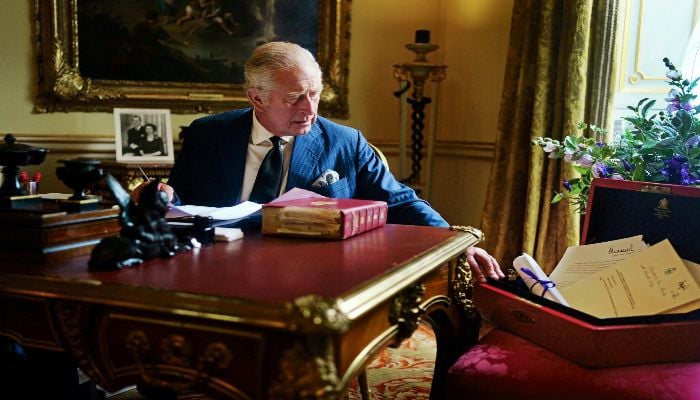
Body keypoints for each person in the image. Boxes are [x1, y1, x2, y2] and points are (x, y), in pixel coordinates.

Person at [134, 41, 504, 282]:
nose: (309, 109)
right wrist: (161, 196)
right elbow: (181, 199)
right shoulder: (208, 133)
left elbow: (401, 202)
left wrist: (457, 243)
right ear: (257, 98)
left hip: (308, 278)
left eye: (315, 94)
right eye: (295, 97)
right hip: (216, 270)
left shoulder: (345, 142)